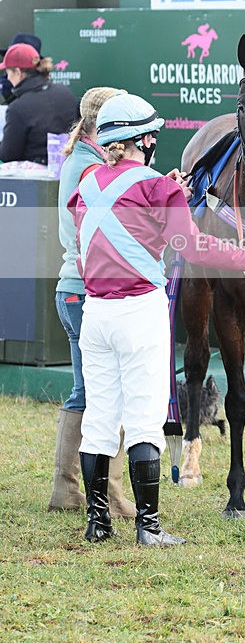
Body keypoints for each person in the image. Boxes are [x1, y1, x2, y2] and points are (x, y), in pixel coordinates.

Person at [68, 93, 245, 545]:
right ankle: (148, 528)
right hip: (139, 314)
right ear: (144, 139)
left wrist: (164, 194)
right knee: (145, 421)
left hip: (96, 315)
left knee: (100, 420)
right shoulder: (158, 188)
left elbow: (120, 207)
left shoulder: (87, 181)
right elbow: (195, 248)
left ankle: (97, 522)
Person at [49, 86, 135, 519]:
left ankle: (67, 491)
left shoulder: (83, 162)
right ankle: (112, 497)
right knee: (108, 394)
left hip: (74, 289)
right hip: (86, 292)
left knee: (86, 392)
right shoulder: (90, 169)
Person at [0, 42, 79, 164]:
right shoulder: (65, 92)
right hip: (69, 172)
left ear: (18, 72)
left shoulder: (18, 108)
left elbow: (8, 154)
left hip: (35, 177)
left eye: (8, 72)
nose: (8, 78)